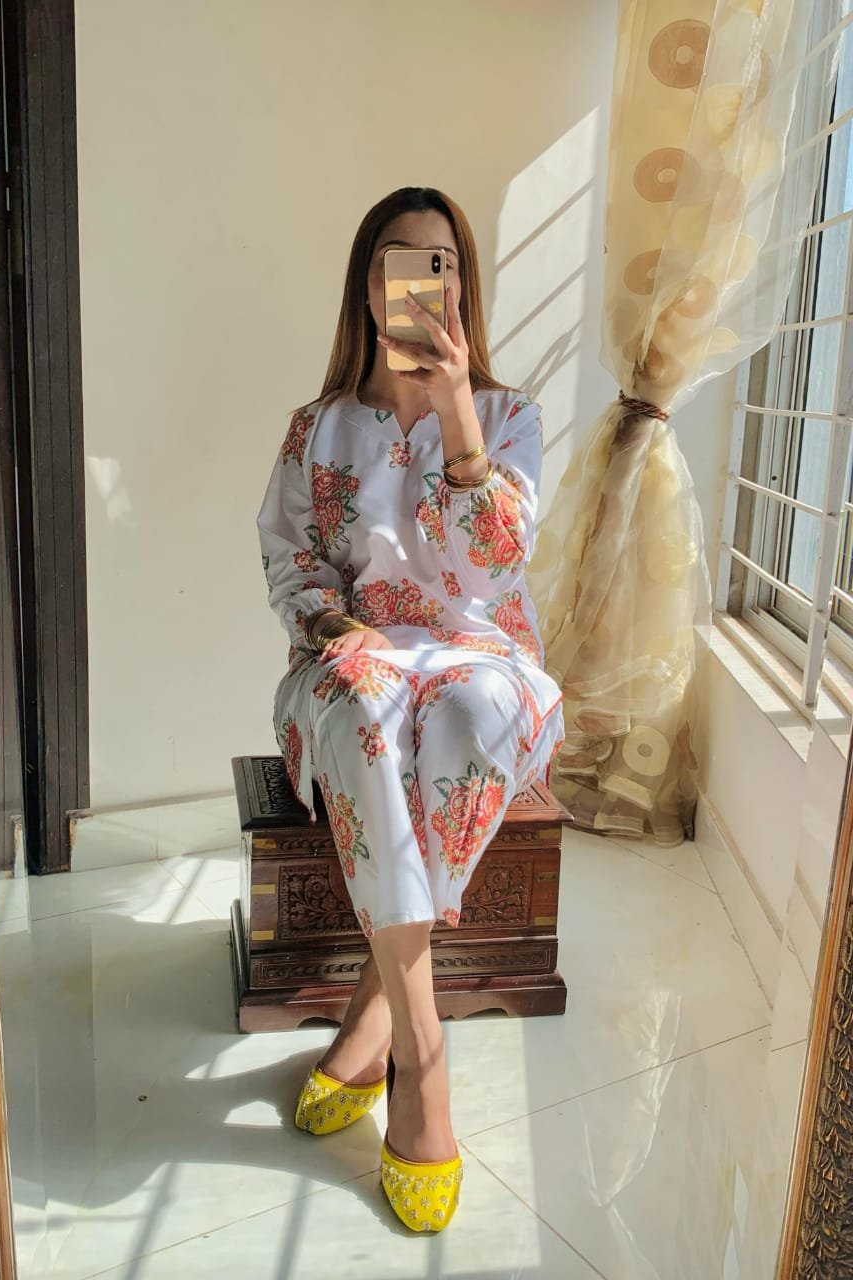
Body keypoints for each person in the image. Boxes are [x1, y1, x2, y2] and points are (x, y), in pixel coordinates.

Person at [256, 186, 564, 1233]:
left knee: (472, 714)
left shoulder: (511, 415)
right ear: (367, 284)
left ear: (463, 287)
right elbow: (291, 563)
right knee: (364, 706)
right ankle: (424, 1054)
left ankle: (377, 1009)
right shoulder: (318, 428)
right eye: (399, 260)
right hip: (353, 657)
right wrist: (341, 626)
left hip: (479, 654)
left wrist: (459, 409)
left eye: (442, 264)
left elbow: (495, 568)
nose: (421, 284)